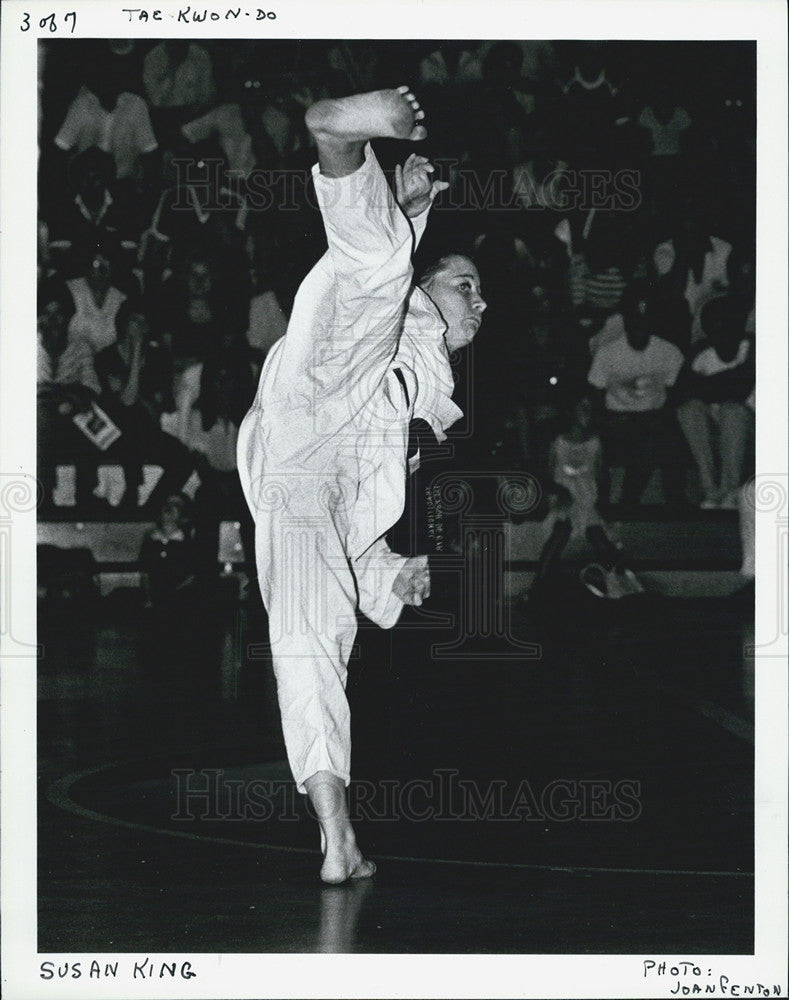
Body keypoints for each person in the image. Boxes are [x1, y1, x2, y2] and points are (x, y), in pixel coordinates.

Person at [237, 87, 486, 883]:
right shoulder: (408, 319)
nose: (480, 300)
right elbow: (383, 281)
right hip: (316, 395)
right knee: (376, 269)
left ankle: (334, 835)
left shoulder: (431, 394)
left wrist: (385, 574)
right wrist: (409, 218)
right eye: (465, 284)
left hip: (304, 478)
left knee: (311, 646)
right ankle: (333, 138)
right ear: (430, 289)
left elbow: (355, 502)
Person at [529, 392, 642, 600]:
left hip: (587, 499)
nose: (587, 414)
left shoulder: (596, 443)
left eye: (590, 409)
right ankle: (537, 587)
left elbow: (602, 477)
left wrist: (604, 505)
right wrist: (558, 490)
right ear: (571, 411)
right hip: (563, 499)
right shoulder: (557, 442)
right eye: (583, 408)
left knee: (597, 534)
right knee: (560, 530)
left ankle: (621, 585)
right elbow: (543, 475)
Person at [587, 281, 685, 506]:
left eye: (646, 316)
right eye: (634, 316)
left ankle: (664, 500)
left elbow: (674, 398)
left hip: (653, 418)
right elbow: (596, 397)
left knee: (663, 439)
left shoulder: (669, 352)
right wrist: (607, 420)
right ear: (626, 318)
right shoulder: (608, 352)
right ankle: (613, 501)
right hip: (617, 418)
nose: (640, 322)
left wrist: (657, 419)